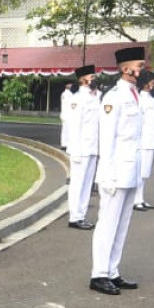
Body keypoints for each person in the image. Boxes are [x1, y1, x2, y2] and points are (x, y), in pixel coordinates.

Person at [90, 46, 149, 295]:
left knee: (122, 224)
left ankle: (113, 271)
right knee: (108, 223)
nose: (143, 70)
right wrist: (108, 175)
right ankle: (99, 274)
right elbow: (108, 138)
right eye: (140, 66)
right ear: (126, 68)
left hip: (130, 171)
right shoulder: (114, 97)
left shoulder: (135, 94)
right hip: (115, 173)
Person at [61, 64, 98, 229]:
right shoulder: (77, 99)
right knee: (78, 183)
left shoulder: (93, 97)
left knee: (87, 184)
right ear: (83, 79)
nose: (94, 79)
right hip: (80, 148)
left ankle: (81, 215)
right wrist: (74, 149)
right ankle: (74, 217)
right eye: (91, 76)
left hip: (91, 147)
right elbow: (74, 126)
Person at [134, 71, 154, 210]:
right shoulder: (140, 99)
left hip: (151, 139)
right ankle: (136, 199)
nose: (153, 84)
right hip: (143, 140)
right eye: (151, 81)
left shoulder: (150, 98)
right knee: (140, 172)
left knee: (145, 172)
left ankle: (141, 198)